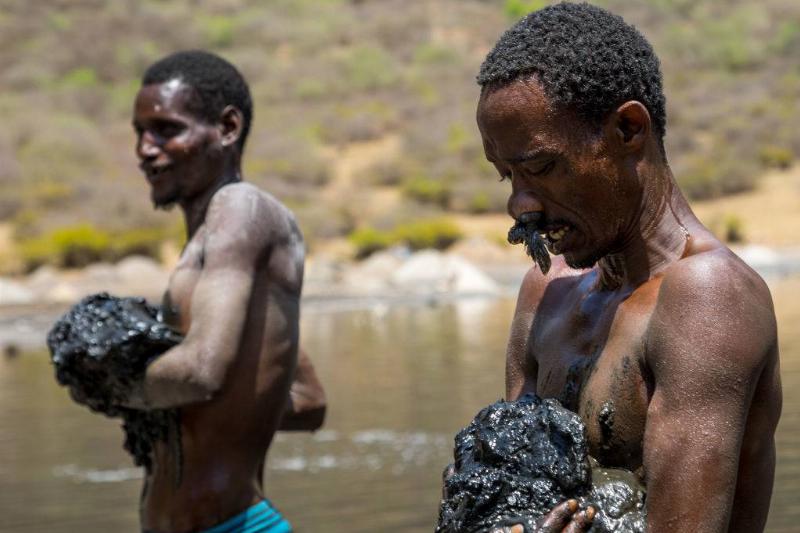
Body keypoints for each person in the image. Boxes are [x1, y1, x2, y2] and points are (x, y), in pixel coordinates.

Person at [475, 3, 782, 532]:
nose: (520, 206)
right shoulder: (545, 292)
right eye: (506, 176)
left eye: (542, 168)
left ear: (628, 128)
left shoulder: (707, 297)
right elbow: (503, 491)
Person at [123, 50, 326, 533]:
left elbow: (201, 370)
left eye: (167, 130)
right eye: (139, 133)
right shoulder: (209, 245)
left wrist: (112, 384)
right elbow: (308, 399)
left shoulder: (240, 208)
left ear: (228, 127)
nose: (145, 149)